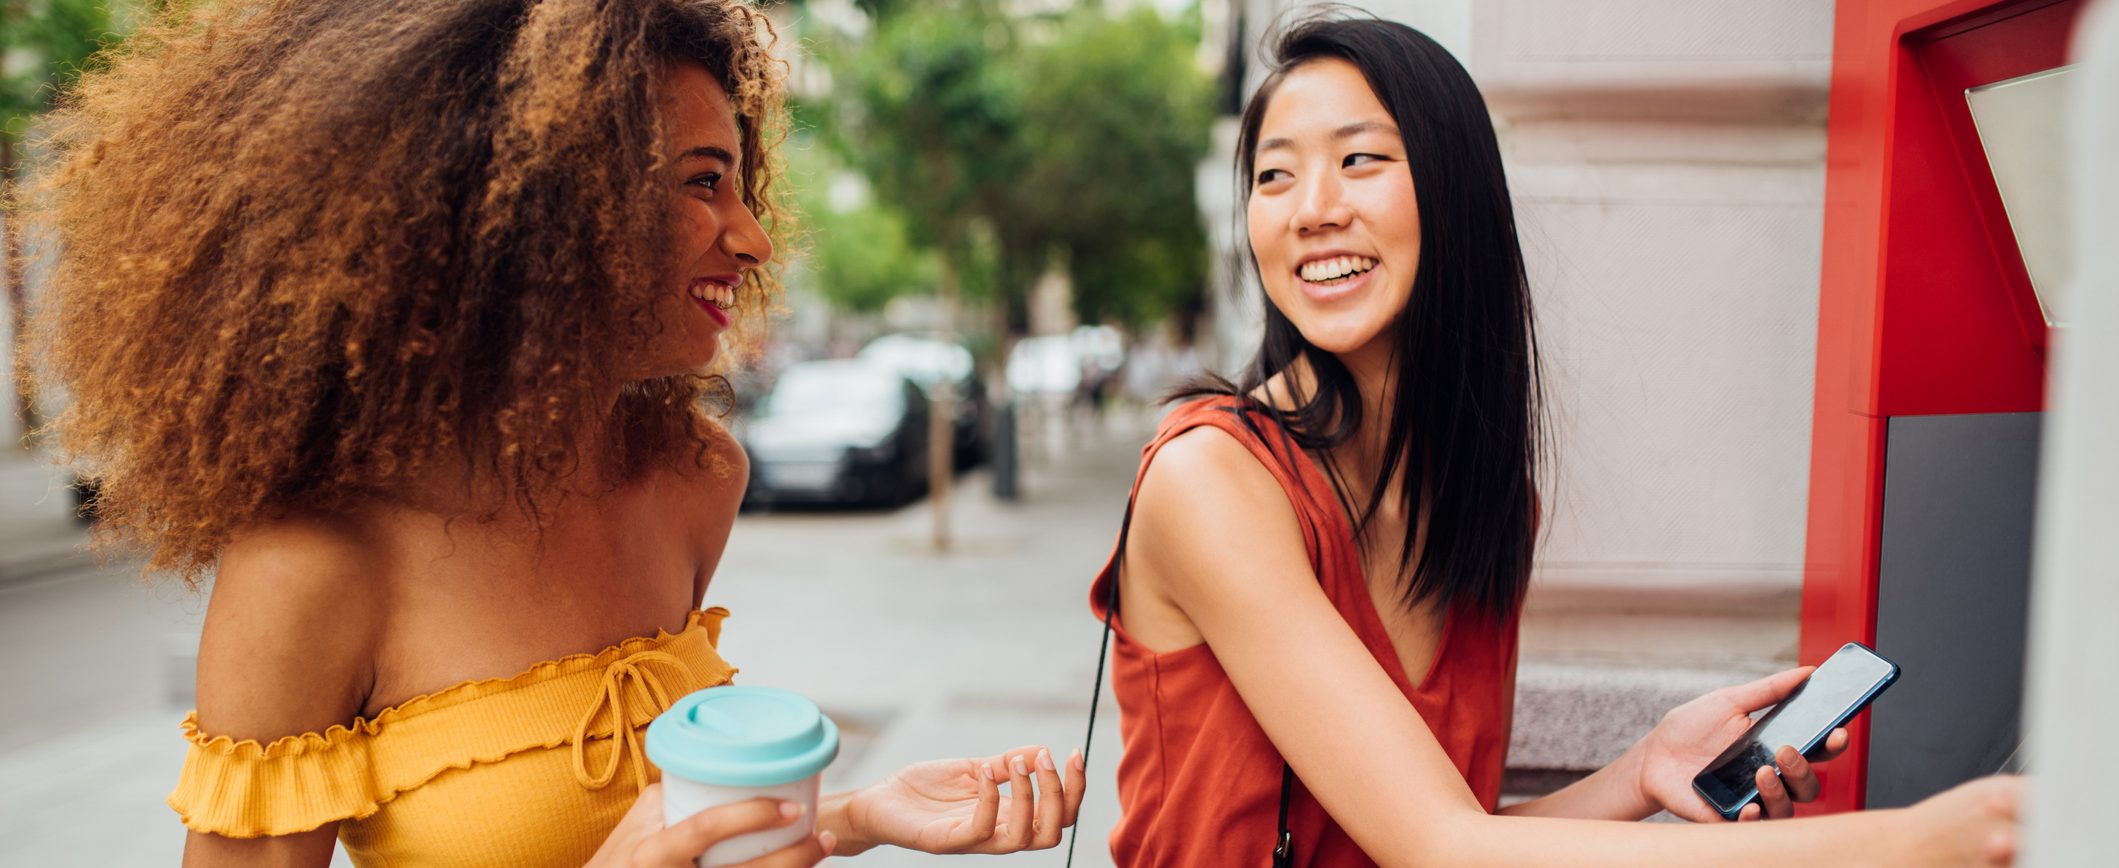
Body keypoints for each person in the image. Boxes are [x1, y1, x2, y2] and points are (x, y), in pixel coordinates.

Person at [26, 1, 1081, 866]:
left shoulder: (693, 476)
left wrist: (853, 813)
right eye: (703, 183)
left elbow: (655, 814)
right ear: (534, 209)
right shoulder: (314, 564)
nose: (754, 238)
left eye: (744, 186)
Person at [1087, 13, 2022, 867]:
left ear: (1453, 191)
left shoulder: (1482, 502)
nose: (1309, 209)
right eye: (1273, 175)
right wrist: (1914, 843)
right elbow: (1439, 847)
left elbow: (1429, 832)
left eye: (1360, 160)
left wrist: (1644, 767)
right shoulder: (1209, 478)